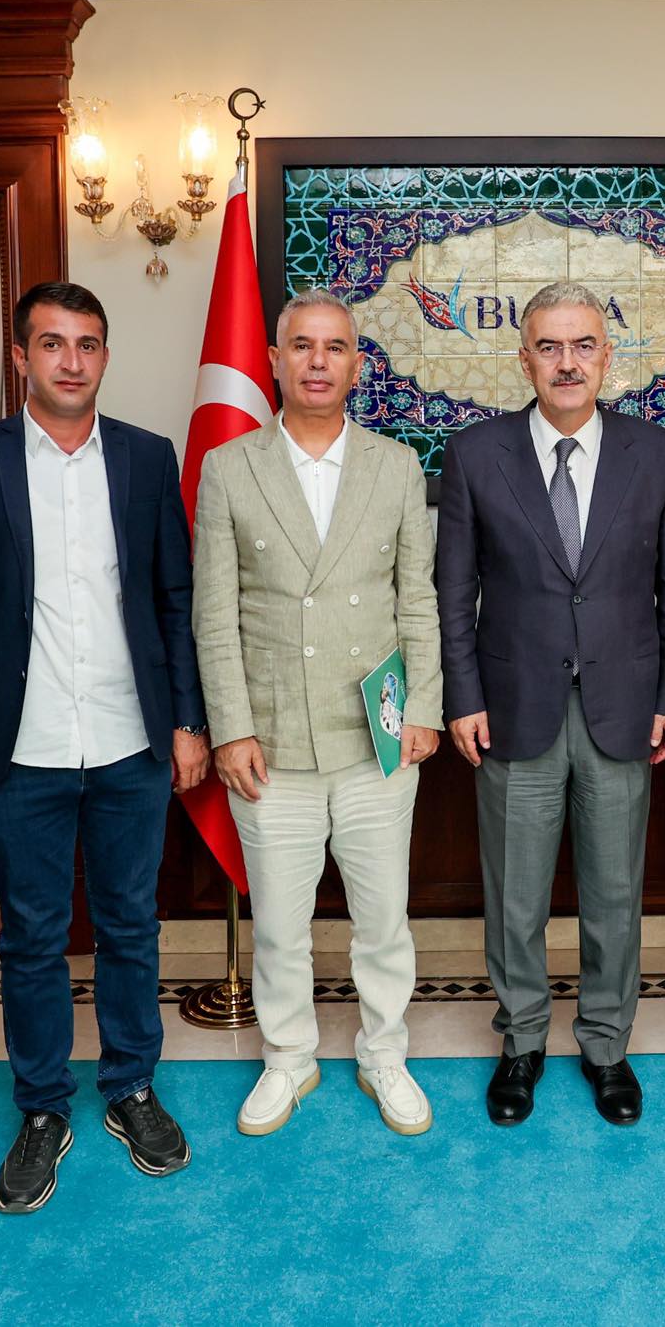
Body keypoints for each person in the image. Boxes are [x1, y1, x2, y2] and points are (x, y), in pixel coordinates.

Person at [0, 282, 210, 1213]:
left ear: (105, 356)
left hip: (130, 742)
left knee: (131, 925)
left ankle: (130, 1087)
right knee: (32, 938)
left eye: (87, 343)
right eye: (52, 343)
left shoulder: (147, 457)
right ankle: (43, 1106)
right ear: (21, 357)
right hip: (20, 748)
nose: (71, 361)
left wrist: (188, 722)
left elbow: (174, 599)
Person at [435, 280, 665, 1126]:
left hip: (626, 707)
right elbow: (453, 593)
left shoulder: (657, 454)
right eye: (549, 347)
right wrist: (463, 697)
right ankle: (521, 1041)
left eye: (583, 345)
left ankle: (607, 1046)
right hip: (512, 708)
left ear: (607, 355)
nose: (568, 362)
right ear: (525, 360)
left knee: (614, 895)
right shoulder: (476, 454)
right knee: (516, 897)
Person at [191, 289, 443, 1138]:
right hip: (269, 741)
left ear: (357, 365)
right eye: (302, 345)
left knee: (382, 922)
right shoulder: (231, 466)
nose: (318, 361)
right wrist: (230, 726)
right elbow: (214, 613)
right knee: (279, 927)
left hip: (377, 736)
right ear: (274, 360)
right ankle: (288, 1058)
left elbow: (418, 601)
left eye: (335, 347)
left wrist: (425, 708)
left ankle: (384, 1053)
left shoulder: (395, 466)